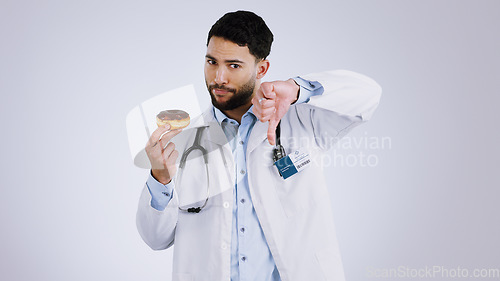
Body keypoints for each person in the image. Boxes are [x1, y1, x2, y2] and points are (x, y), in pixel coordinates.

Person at [136, 10, 381, 281]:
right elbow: (156, 239)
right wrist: (160, 177)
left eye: (234, 65)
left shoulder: (302, 120)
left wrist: (297, 88)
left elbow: (368, 95)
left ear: (261, 69)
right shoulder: (183, 141)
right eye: (211, 61)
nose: (218, 77)